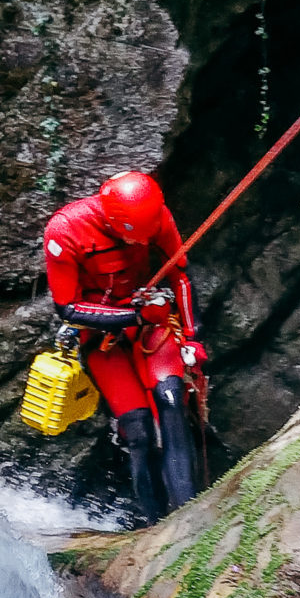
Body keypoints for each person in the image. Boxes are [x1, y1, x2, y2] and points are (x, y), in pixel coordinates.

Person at [42, 170, 207, 523]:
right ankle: (156, 525)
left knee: (172, 399)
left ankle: (191, 515)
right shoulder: (65, 232)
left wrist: (191, 337)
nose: (140, 245)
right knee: (139, 431)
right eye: (134, 238)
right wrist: (135, 316)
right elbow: (68, 307)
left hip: (151, 318)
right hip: (103, 336)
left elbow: (179, 273)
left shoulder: (155, 214)